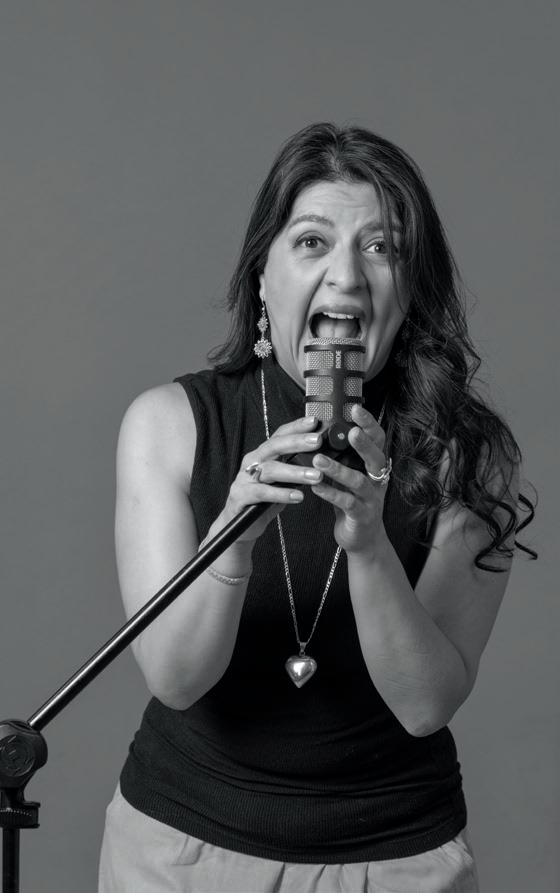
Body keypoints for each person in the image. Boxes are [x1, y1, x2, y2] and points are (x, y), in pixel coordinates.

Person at [98, 122, 536, 893]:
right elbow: (176, 677)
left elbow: (425, 705)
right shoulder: (168, 425)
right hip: (180, 855)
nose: (347, 277)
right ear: (262, 280)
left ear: (411, 291)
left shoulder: (469, 457)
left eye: (382, 247)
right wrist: (232, 537)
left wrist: (368, 545)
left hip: (395, 862)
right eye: (311, 242)